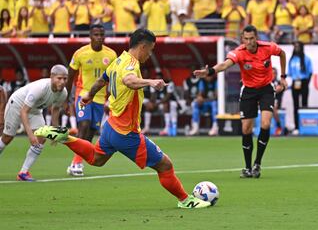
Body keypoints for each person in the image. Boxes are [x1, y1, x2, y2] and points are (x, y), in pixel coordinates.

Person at [35, 28, 210, 209]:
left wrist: (88, 96)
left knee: (97, 159)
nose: (150, 55)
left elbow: (102, 80)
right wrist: (150, 82)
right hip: (127, 133)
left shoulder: (118, 60)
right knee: (165, 165)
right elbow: (129, 81)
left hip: (111, 126)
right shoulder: (131, 64)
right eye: (150, 50)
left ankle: (65, 137)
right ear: (142, 47)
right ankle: (185, 200)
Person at [194, 25, 287, 178]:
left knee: (265, 123)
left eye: (252, 38)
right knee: (246, 129)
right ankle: (247, 167)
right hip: (248, 91)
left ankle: (257, 164)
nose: (249, 42)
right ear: (243, 39)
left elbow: (282, 54)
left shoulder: (268, 47)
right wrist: (209, 71)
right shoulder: (239, 52)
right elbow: (224, 65)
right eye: (246, 39)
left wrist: (283, 77)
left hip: (266, 89)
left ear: (256, 37)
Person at [65, 24, 117, 177]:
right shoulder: (80, 53)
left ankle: (76, 162)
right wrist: (66, 98)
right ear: (90, 36)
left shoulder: (111, 54)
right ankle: (76, 164)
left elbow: (113, 79)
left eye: (101, 34)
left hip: (100, 99)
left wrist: (111, 99)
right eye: (96, 34)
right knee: (84, 125)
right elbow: (70, 76)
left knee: (91, 132)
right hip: (83, 94)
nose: (99, 37)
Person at [0, 65, 68, 181]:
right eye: (59, 78)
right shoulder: (40, 88)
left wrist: (55, 132)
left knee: (41, 138)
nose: (62, 82)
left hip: (35, 110)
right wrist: (30, 135)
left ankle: (23, 173)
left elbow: (55, 110)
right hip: (17, 105)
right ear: (51, 77)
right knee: (7, 138)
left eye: (65, 79)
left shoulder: (63, 93)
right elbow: (24, 111)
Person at [288, 41, 313, 135]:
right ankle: (297, 126)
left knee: (304, 104)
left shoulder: (306, 59)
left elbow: (310, 72)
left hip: (304, 82)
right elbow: (290, 73)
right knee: (295, 105)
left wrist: (306, 83)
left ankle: (305, 126)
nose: (296, 48)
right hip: (295, 82)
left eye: (298, 46)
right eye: (295, 46)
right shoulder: (292, 59)